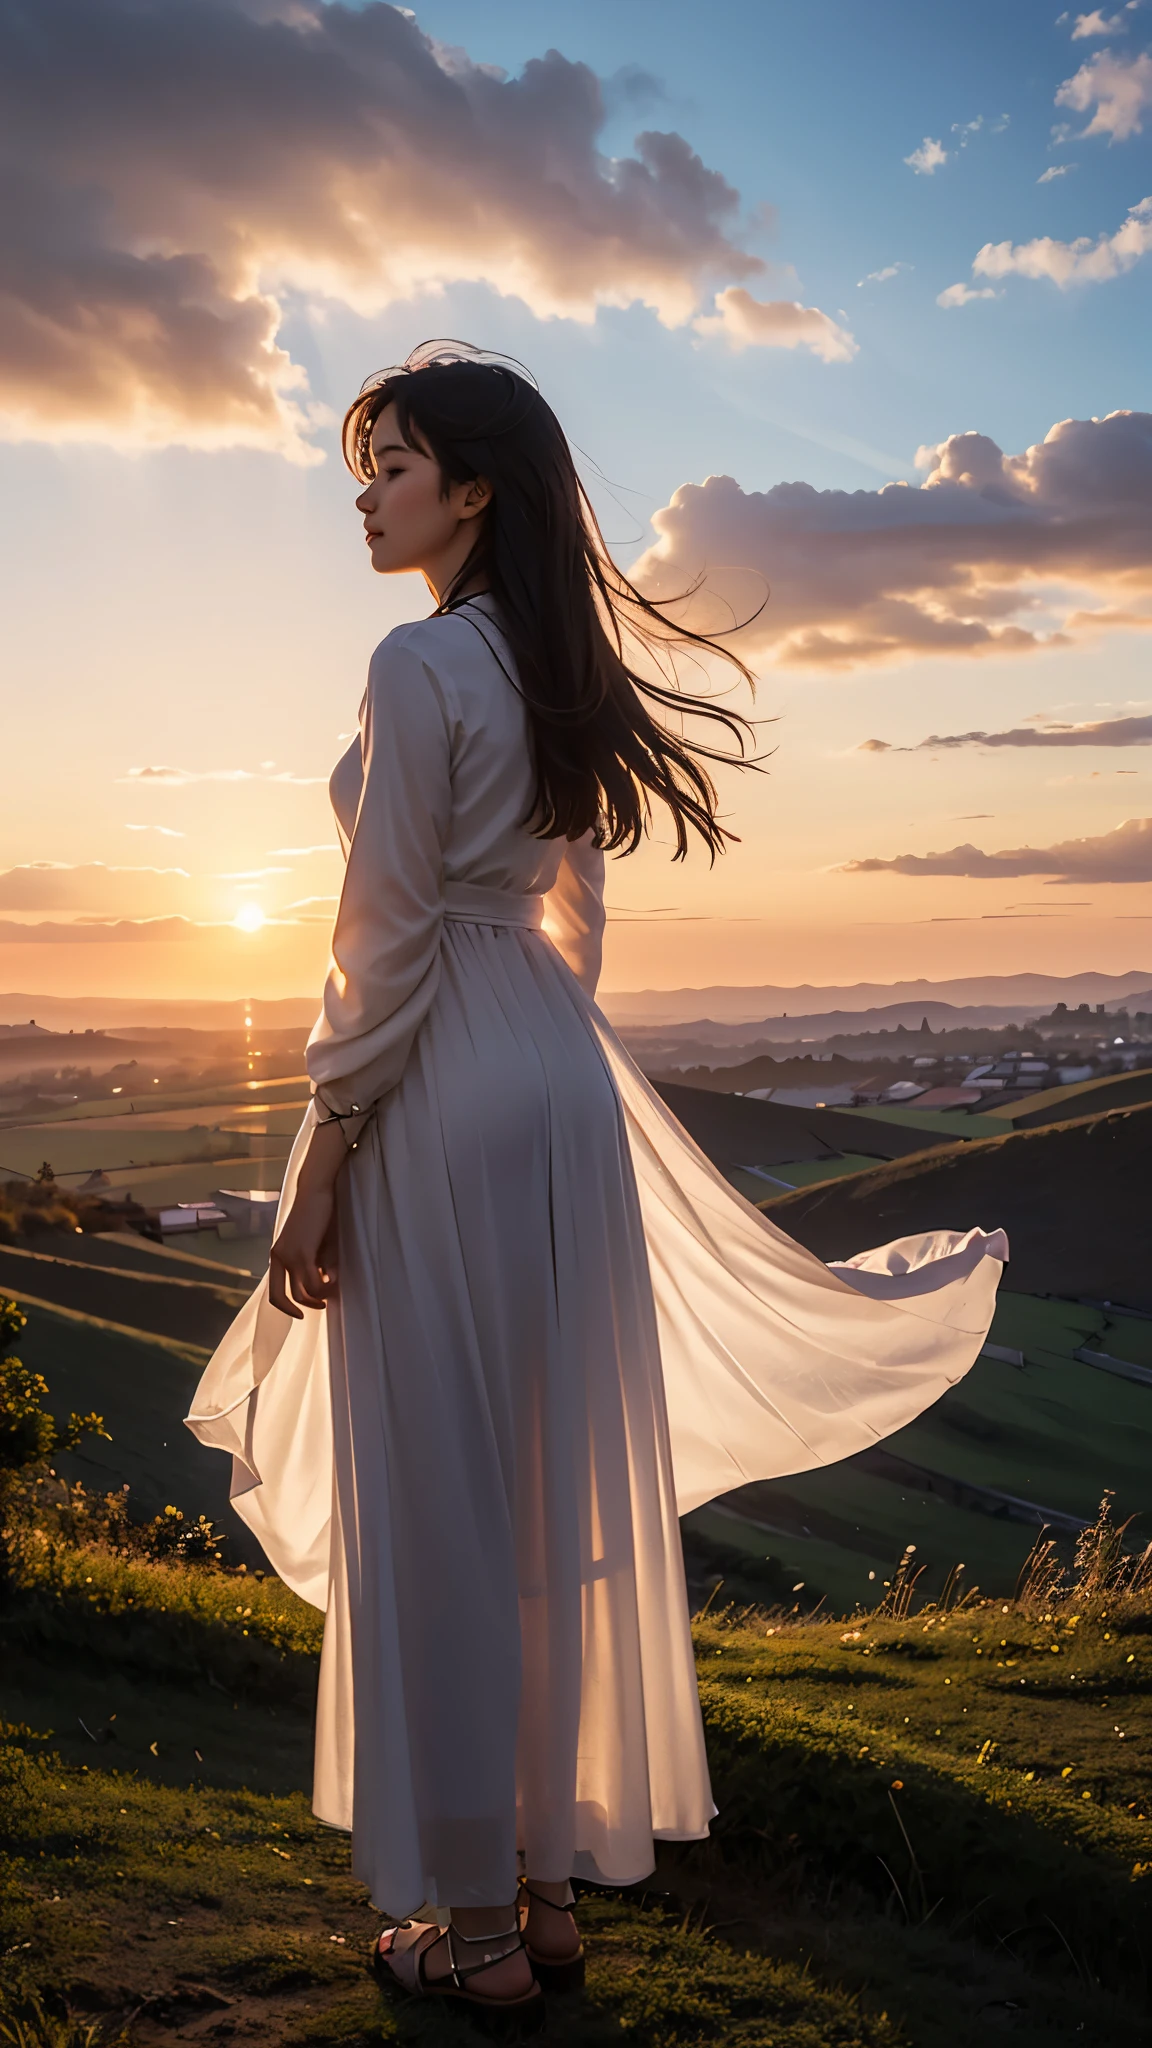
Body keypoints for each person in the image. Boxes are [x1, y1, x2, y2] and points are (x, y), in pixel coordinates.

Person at [186, 341, 1006, 2033]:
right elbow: (572, 920)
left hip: (439, 1077)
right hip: (551, 1071)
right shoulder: (556, 667)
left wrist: (322, 1158)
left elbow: (382, 937)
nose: (367, 492)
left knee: (448, 1499)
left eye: (391, 465)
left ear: (471, 490)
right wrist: (545, 1054)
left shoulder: (418, 670)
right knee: (545, 1488)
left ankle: (474, 1925)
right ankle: (543, 1894)